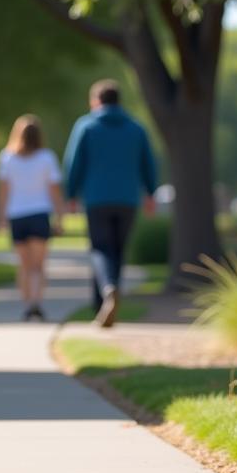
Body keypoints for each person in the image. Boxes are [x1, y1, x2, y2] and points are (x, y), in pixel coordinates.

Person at [63, 80, 157, 327]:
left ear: (96, 101)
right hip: (127, 199)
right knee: (118, 251)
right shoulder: (136, 128)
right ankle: (107, 299)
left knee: (100, 249)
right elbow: (148, 162)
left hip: (96, 199)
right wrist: (151, 192)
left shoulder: (86, 126)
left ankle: (106, 292)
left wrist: (70, 194)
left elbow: (74, 163)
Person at [0, 115, 65, 321]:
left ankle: (27, 304)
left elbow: (4, 191)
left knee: (24, 265)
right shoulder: (47, 158)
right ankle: (36, 302)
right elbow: (54, 190)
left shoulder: (7, 158)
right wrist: (60, 216)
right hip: (39, 214)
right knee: (38, 265)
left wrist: (1, 217)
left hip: (17, 215)